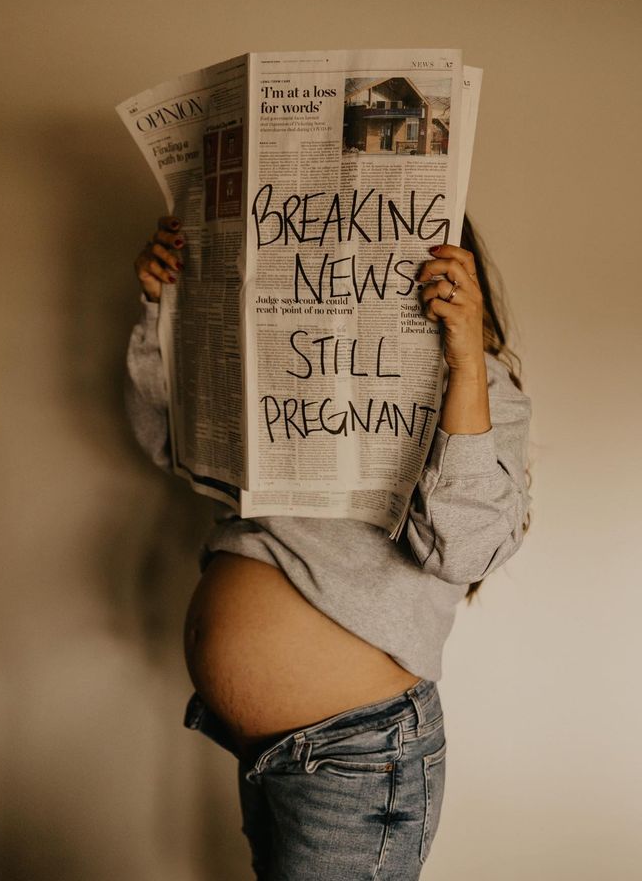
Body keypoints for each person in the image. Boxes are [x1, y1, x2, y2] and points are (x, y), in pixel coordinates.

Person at [124, 213, 531, 880]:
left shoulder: (484, 392)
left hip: (358, 755)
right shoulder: (286, 362)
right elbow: (167, 441)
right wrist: (159, 310)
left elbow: (463, 547)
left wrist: (461, 367)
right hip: (265, 748)